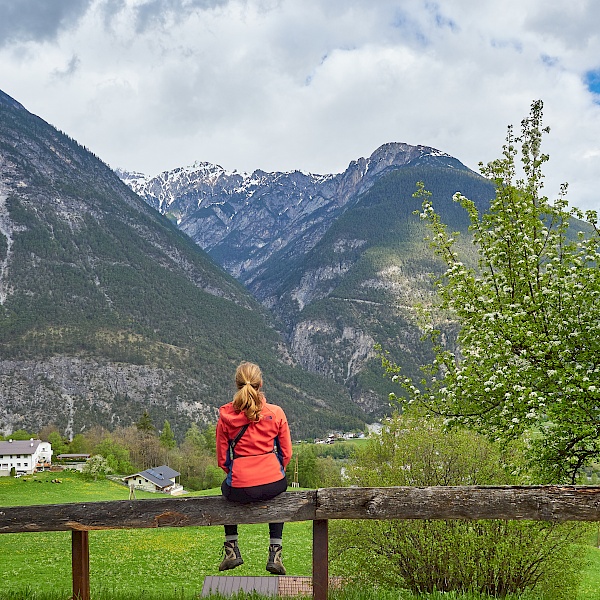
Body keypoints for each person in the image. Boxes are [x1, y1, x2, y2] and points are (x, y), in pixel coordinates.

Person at [216, 361, 292, 575]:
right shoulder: (275, 413)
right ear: (261, 383)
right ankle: (275, 552)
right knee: (277, 495)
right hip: (274, 482)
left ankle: (231, 549)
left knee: (226, 491)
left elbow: (223, 459)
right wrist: (274, 471)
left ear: (237, 385)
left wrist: (239, 475)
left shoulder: (226, 417)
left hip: (241, 485)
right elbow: (286, 453)